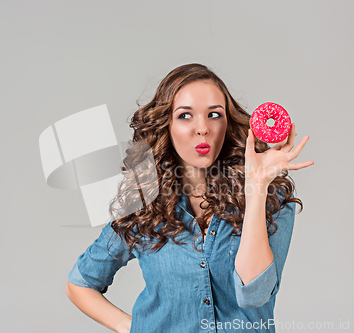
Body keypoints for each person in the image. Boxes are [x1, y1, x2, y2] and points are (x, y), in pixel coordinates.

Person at [65, 63, 314, 333]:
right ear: (166, 125)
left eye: (214, 114)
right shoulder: (143, 208)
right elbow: (80, 284)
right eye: (185, 116)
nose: (203, 128)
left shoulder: (272, 200)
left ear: (228, 122)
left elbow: (253, 296)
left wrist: (256, 185)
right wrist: (138, 328)